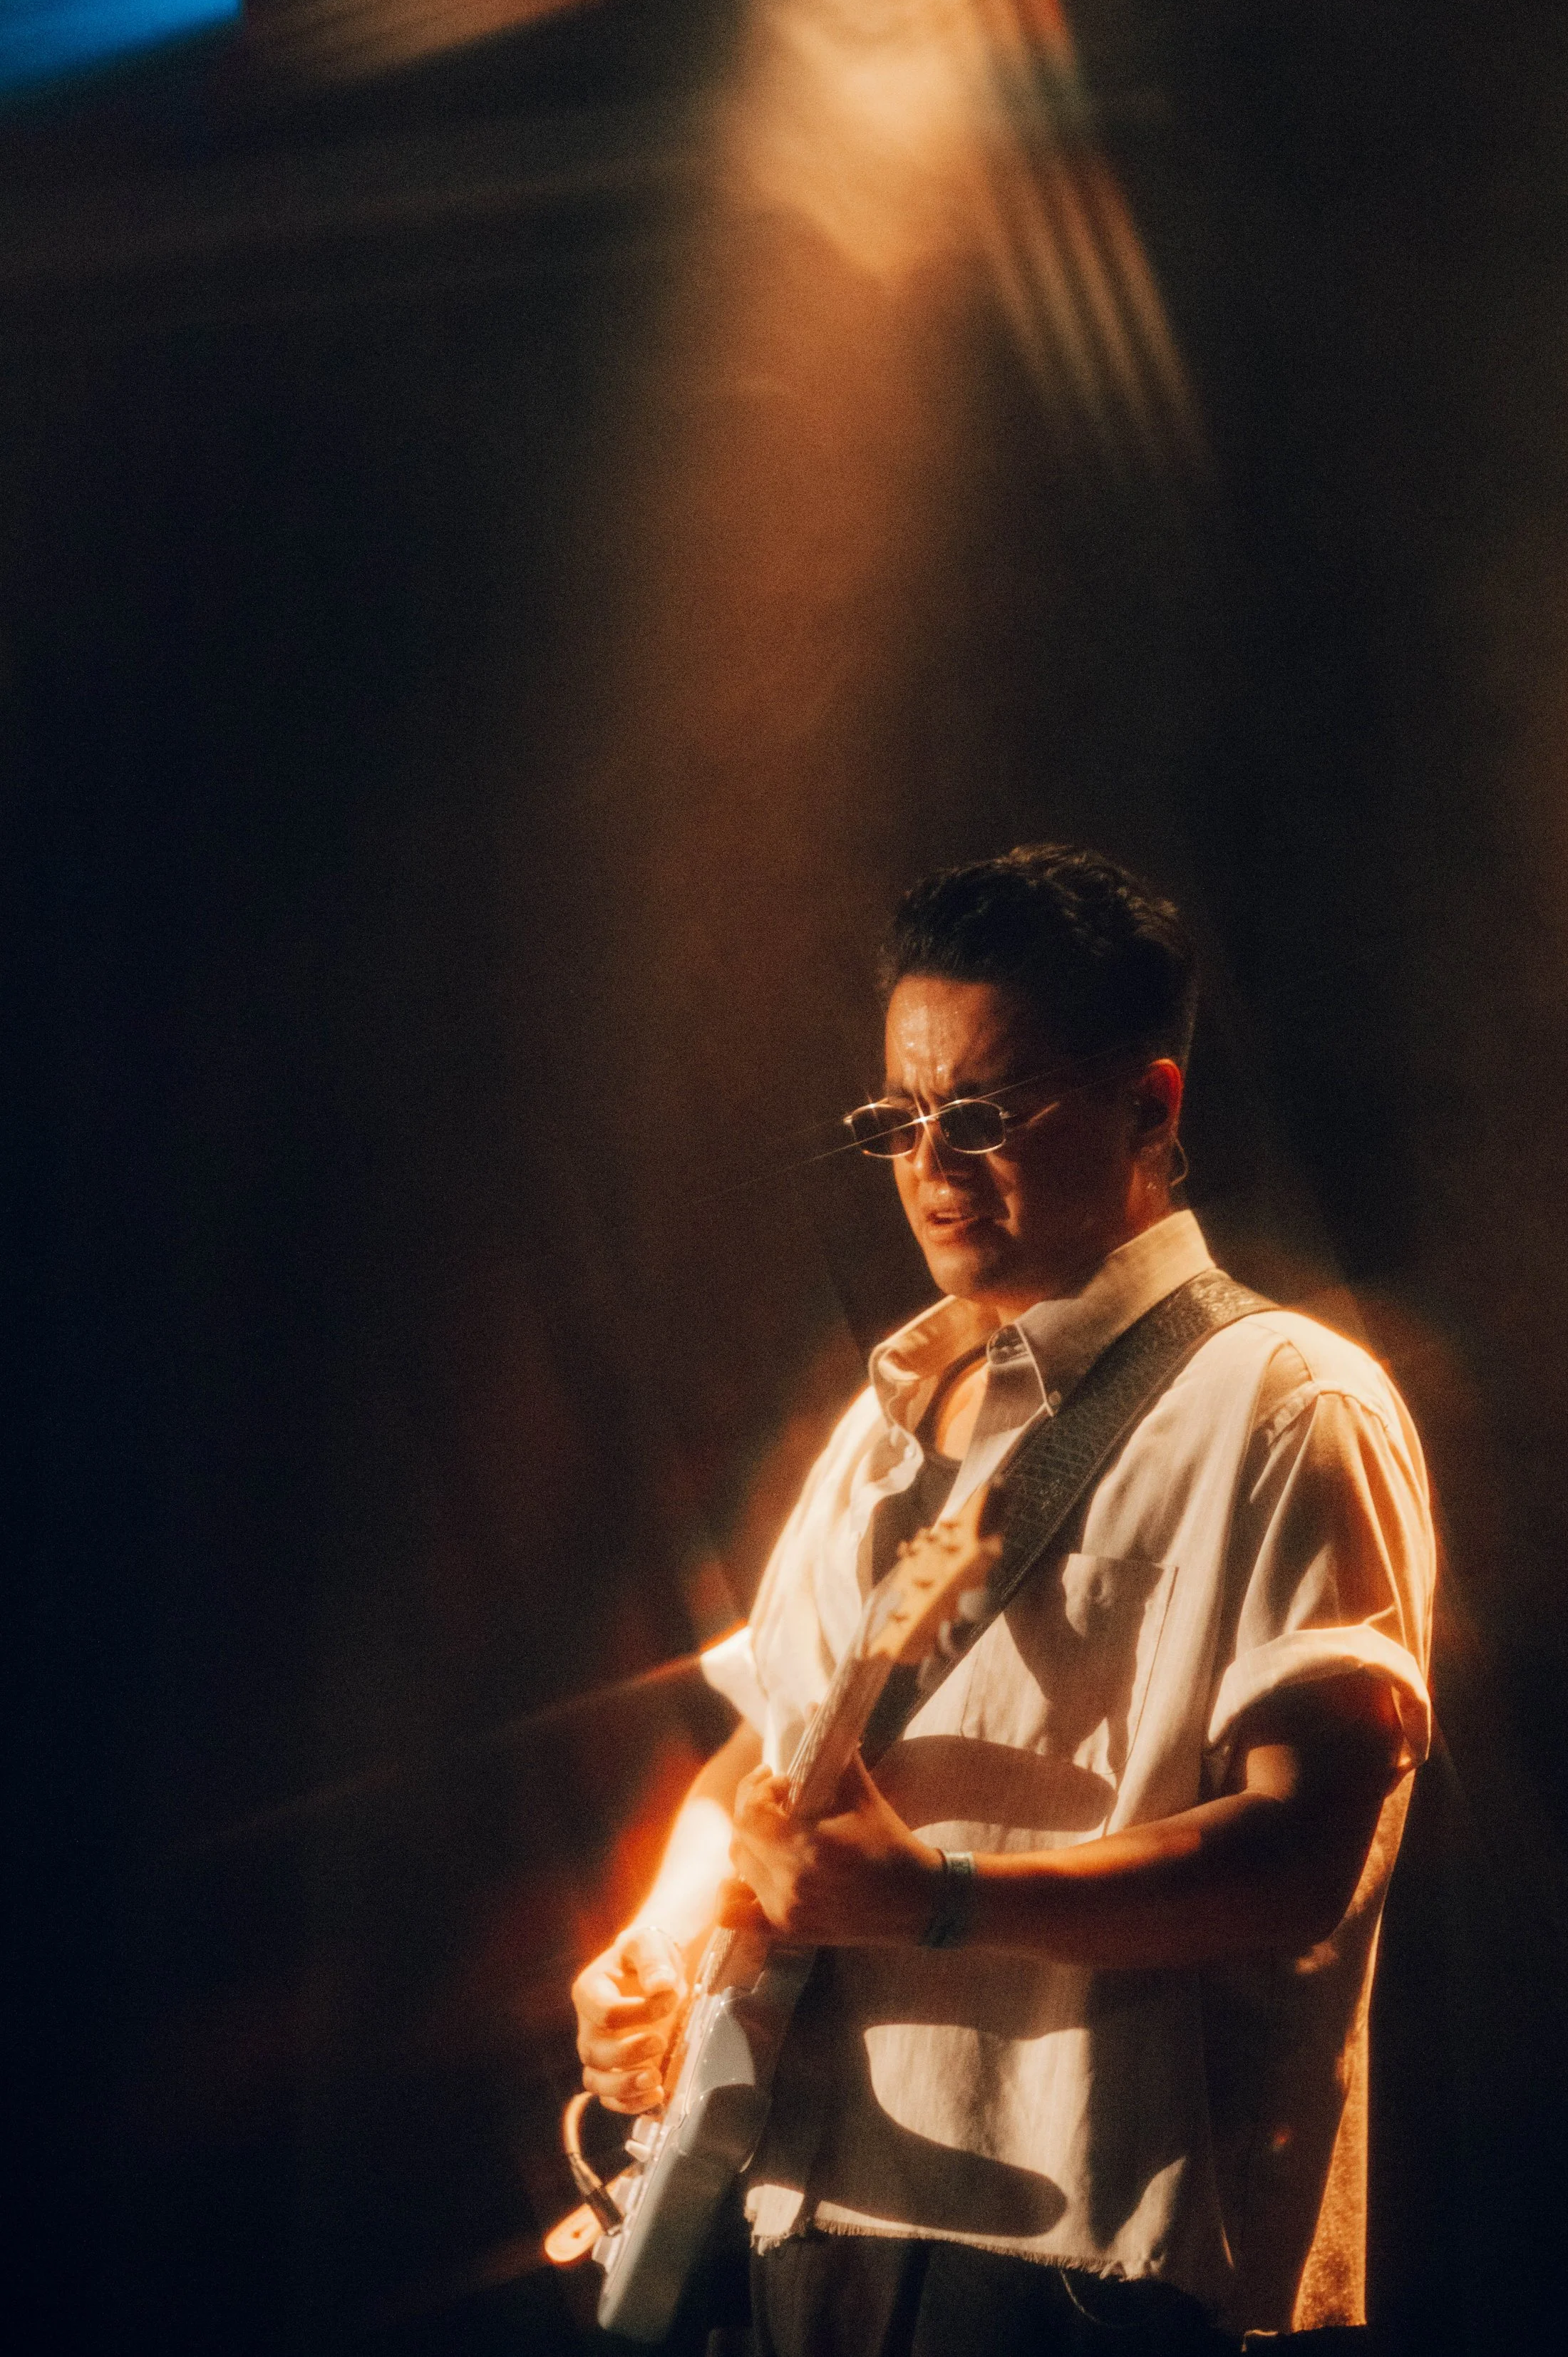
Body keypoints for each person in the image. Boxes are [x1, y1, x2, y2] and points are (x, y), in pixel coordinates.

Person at [573, 846, 1435, 2356]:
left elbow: (1307, 1850)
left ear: (1149, 1106)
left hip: (1083, 2253)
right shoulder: (879, 1423)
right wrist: (654, 1935)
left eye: (980, 1114)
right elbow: (772, 1754)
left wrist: (937, 1900)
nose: (930, 1164)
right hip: (800, 2213)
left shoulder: (1288, 1403)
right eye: (896, 1121)